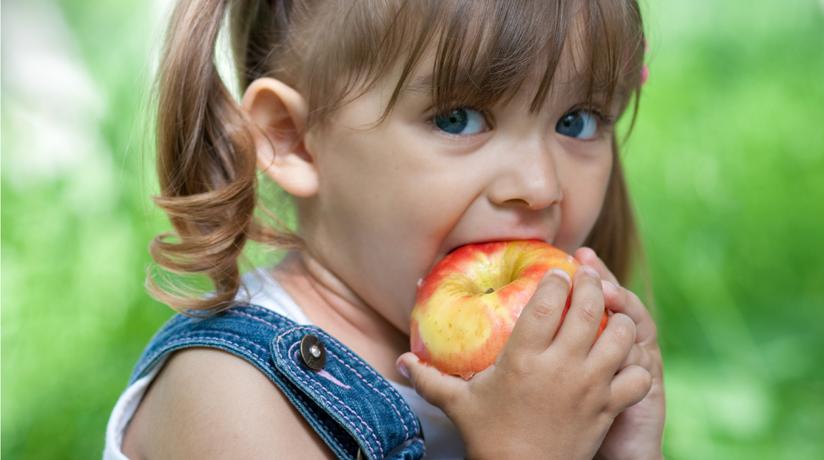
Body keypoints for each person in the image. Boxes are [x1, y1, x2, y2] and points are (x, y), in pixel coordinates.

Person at [104, 0, 665, 458]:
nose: (540, 185)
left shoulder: (547, 375)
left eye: (578, 121)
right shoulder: (233, 394)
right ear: (293, 138)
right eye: (458, 119)